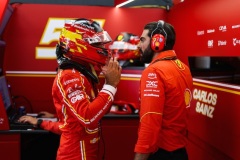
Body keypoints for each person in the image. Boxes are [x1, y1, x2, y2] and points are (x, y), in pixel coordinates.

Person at [19, 18, 122, 160]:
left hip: (87, 151)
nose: (103, 48)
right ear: (79, 44)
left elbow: (70, 125)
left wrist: (41, 122)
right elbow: (87, 117)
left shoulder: (83, 72)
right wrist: (111, 85)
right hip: (75, 154)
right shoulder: (69, 76)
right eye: (97, 43)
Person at [134, 20, 193, 160]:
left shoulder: (154, 71)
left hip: (161, 153)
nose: (138, 45)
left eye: (142, 39)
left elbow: (150, 122)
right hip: (180, 152)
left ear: (157, 42)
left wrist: (140, 157)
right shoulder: (184, 68)